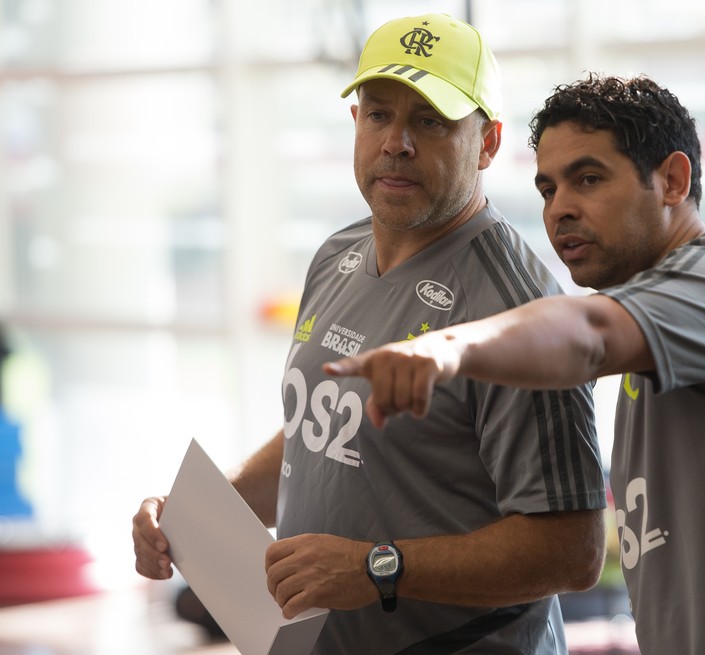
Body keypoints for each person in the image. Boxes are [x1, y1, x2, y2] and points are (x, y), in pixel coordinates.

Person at [324, 74, 705, 654]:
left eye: (588, 179)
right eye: (548, 189)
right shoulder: (657, 328)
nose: (560, 210)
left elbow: (589, 331)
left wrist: (446, 348)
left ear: (672, 180)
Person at [132, 14, 608, 655]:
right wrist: (193, 515)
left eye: (430, 121)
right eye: (379, 114)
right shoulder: (338, 253)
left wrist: (379, 567)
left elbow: (571, 551)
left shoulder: (518, 310)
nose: (397, 143)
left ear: (488, 143)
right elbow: (323, 430)